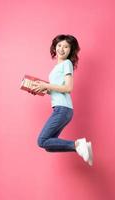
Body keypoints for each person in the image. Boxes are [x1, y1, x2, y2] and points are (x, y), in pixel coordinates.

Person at [32, 34, 93, 166]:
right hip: (61, 109)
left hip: (63, 109)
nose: (62, 49)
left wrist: (46, 85)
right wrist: (43, 90)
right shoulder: (56, 68)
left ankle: (78, 144)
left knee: (41, 140)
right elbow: (57, 89)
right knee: (48, 145)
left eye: (66, 47)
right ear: (54, 47)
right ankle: (81, 146)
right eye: (59, 45)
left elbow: (68, 87)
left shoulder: (67, 63)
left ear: (71, 51)